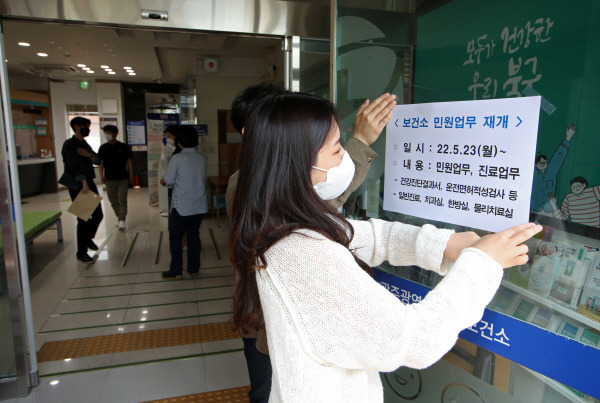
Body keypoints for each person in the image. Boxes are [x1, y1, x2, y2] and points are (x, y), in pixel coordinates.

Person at [230, 92, 542, 402]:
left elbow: (374, 236)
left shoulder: (279, 223)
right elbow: (416, 341)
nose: (344, 159)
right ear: (297, 164)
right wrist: (482, 264)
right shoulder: (305, 254)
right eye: (338, 148)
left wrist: (442, 244)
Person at [225, 83, 396, 403]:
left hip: (269, 320)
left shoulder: (261, 181)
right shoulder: (250, 187)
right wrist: (359, 142)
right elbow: (321, 202)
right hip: (266, 323)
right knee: (268, 389)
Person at [161, 125, 207, 279]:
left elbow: (168, 180)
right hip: (199, 205)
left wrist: (164, 180)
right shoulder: (201, 157)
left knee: (175, 238)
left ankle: (176, 270)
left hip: (181, 206)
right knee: (194, 236)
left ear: (179, 141)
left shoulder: (177, 158)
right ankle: (194, 269)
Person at [61, 116, 104, 263]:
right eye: (86, 126)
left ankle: (87, 238)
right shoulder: (69, 145)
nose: (88, 129)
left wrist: (89, 154)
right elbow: (73, 165)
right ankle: (81, 251)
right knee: (83, 217)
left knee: (98, 214)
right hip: (78, 183)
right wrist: (84, 183)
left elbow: (97, 160)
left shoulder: (84, 143)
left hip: (88, 182)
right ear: (77, 127)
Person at [530, 124, 576, 213]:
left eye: (544, 162)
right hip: (534, 209)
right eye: (539, 162)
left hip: (549, 209)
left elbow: (559, 156)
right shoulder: (532, 173)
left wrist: (568, 138)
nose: (542, 164)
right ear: (535, 164)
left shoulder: (551, 170)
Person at [98, 125, 133, 230]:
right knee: (113, 200)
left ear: (115, 134)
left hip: (122, 178)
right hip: (109, 178)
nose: (106, 135)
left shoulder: (123, 147)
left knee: (122, 199)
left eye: (108, 133)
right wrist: (101, 175)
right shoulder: (103, 148)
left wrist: (131, 175)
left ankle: (122, 220)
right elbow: (101, 163)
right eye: (105, 133)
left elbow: (129, 162)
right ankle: (119, 217)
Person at [159, 125, 182, 217]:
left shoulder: (179, 151)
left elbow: (174, 169)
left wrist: (165, 179)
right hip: (172, 184)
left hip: (177, 185)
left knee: (176, 208)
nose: (168, 139)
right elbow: (165, 163)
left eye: (169, 136)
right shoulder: (172, 149)